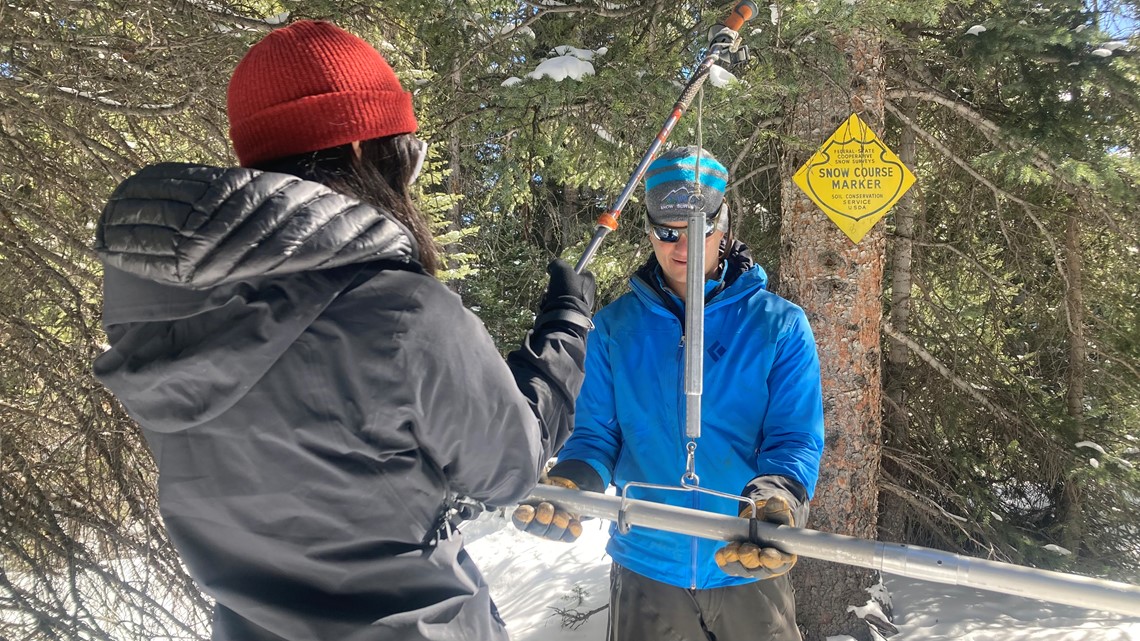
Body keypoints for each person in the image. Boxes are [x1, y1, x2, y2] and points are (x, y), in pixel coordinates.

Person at [92, 20, 595, 641]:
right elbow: (508, 468)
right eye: (404, 150)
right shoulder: (404, 313)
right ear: (362, 149)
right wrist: (566, 327)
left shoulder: (159, 316)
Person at [513, 146, 825, 640]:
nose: (683, 246)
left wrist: (775, 500)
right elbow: (595, 438)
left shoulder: (779, 325)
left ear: (723, 225)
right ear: (648, 229)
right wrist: (572, 482)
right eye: (667, 231)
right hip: (647, 568)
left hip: (745, 561)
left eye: (700, 229)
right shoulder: (615, 328)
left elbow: (793, 438)